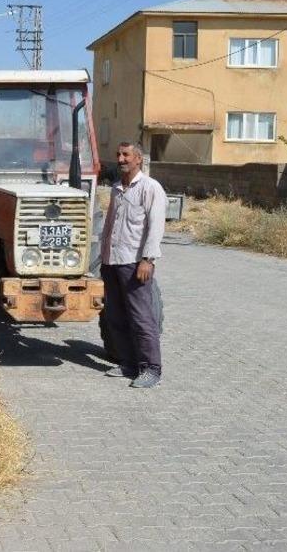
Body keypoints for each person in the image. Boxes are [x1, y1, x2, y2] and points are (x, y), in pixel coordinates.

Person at [100, 141, 167, 389]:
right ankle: (128, 363)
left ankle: (151, 369)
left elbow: (156, 226)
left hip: (135, 263)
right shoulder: (117, 189)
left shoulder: (150, 188)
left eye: (126, 155)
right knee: (116, 316)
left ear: (138, 159)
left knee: (141, 318)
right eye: (118, 154)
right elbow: (109, 226)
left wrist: (148, 260)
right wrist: (103, 260)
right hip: (112, 261)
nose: (121, 159)